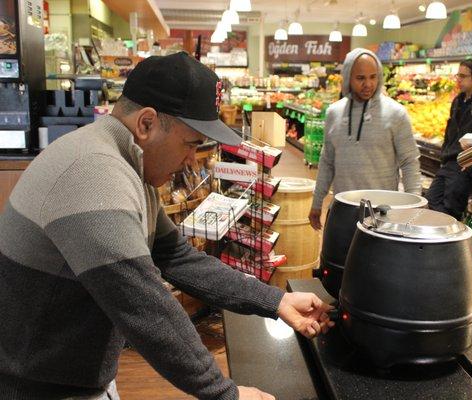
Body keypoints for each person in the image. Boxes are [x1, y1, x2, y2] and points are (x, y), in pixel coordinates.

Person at [0, 52, 333, 400]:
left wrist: (276, 300)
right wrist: (224, 393)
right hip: (35, 387)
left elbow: (176, 256)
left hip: (69, 375)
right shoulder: (94, 175)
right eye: (190, 144)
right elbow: (145, 305)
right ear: (147, 123)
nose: (192, 159)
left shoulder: (125, 163)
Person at [308, 48, 422, 230]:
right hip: (342, 210)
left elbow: (409, 162)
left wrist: (414, 207)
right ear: (347, 77)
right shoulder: (334, 113)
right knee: (338, 258)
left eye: (373, 77)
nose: (368, 84)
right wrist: (317, 202)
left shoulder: (396, 114)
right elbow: (327, 161)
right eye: (360, 78)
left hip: (383, 215)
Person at [425, 59, 472, 220]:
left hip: (466, 167)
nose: (459, 80)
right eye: (458, 76)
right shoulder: (458, 101)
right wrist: (444, 153)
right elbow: (450, 132)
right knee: (430, 201)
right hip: (449, 161)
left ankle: (447, 241)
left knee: (450, 209)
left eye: (463, 76)